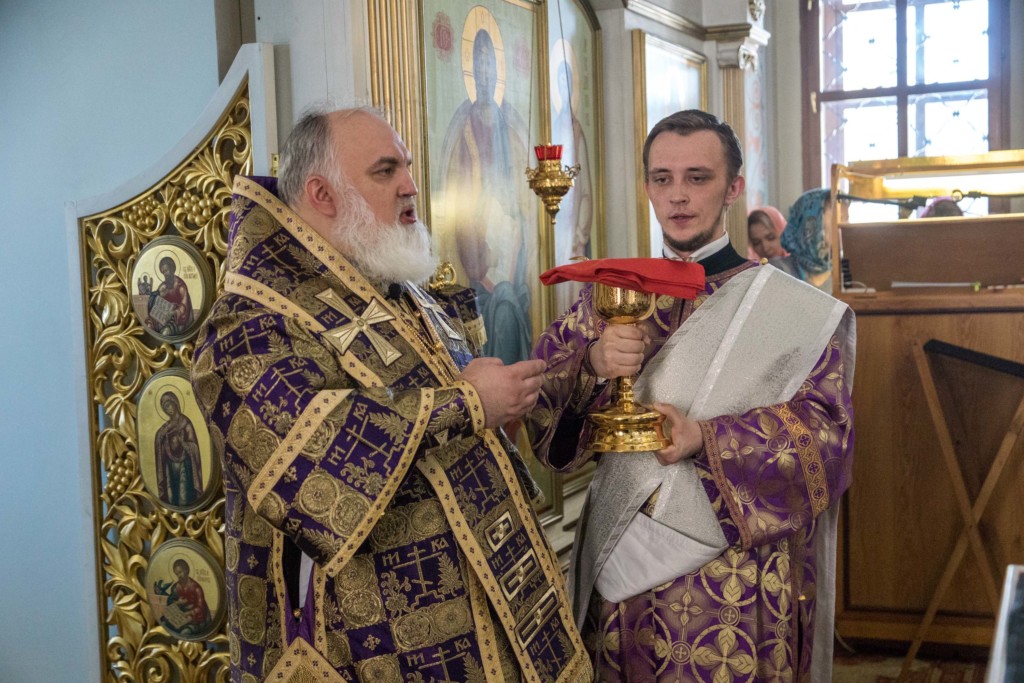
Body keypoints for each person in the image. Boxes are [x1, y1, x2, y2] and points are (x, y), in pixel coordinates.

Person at [190, 106, 591, 682]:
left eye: (406, 166)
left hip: (482, 613)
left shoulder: (399, 292)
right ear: (322, 194)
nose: (411, 185)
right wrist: (466, 404)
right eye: (386, 171)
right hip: (356, 644)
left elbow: (474, 425)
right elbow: (305, 453)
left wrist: (571, 372)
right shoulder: (251, 322)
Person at [525, 109, 856, 681]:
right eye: (663, 178)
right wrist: (592, 365)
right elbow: (543, 417)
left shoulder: (793, 311)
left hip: (736, 577)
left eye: (697, 178)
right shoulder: (605, 298)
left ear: (733, 188)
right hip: (621, 568)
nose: (678, 195)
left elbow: (827, 439)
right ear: (648, 187)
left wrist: (706, 437)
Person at [439, 21, 534, 367]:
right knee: (494, 305)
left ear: (496, 71)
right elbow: (456, 191)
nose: (484, 73)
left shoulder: (509, 122)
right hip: (476, 238)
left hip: (508, 235)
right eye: (478, 66)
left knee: (510, 299)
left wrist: (511, 217)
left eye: (489, 65)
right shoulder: (463, 124)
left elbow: (523, 189)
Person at [771, 188, 834, 291]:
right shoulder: (779, 271)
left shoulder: (844, 273)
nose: (842, 226)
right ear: (810, 221)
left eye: (846, 218)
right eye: (837, 217)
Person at [154, 391, 204, 508]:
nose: (168, 409)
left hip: (184, 466)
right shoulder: (165, 427)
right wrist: (160, 438)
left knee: (184, 496)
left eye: (169, 405)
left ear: (175, 403)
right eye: (165, 408)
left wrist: (183, 443)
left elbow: (194, 447)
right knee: (172, 496)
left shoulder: (185, 423)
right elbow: (159, 442)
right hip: (169, 467)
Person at [154, 558, 211, 636]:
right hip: (179, 617)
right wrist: (178, 602)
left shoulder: (196, 588)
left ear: (186, 570)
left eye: (180, 572)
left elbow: (200, 608)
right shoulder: (176, 587)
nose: (179, 576)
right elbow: (170, 601)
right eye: (176, 574)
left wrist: (187, 613)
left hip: (195, 619)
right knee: (163, 623)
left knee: (184, 633)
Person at [145, 256, 194, 335]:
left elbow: (184, 308)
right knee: (149, 326)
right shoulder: (163, 286)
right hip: (162, 317)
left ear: (172, 269)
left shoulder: (180, 286)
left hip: (176, 320)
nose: (165, 274)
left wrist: (173, 312)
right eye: (163, 272)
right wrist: (158, 294)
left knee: (165, 332)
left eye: (166, 270)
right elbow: (155, 302)